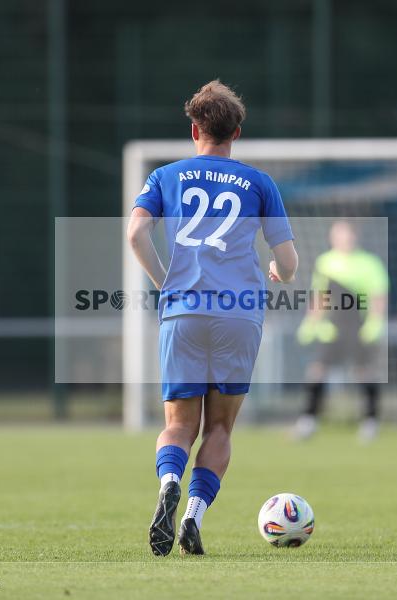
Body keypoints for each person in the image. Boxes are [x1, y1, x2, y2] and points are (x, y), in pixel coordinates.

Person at [127, 80, 298, 556]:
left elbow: (136, 233)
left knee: (179, 425)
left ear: (194, 128)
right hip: (239, 315)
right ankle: (193, 516)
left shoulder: (166, 176)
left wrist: (166, 283)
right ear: (236, 132)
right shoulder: (259, 183)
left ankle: (167, 484)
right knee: (220, 428)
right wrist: (277, 272)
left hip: (183, 309)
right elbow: (288, 261)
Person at [293, 220, 388, 443]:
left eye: (346, 235)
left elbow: (378, 295)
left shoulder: (369, 263)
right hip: (332, 329)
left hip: (358, 328)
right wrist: (311, 322)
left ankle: (370, 422)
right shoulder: (325, 262)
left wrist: (375, 322)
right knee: (317, 371)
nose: (343, 239)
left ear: (354, 237)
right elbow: (320, 295)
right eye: (338, 235)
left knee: (364, 373)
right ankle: (308, 421)